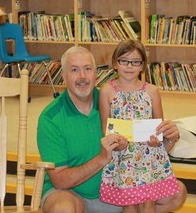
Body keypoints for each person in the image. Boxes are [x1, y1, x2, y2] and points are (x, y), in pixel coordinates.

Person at [37, 45, 187, 213]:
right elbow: (60, 181)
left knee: (177, 192)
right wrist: (102, 158)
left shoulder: (113, 101)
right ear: (63, 75)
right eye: (74, 70)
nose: (82, 77)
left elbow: (145, 151)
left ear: (96, 73)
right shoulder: (50, 118)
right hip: (72, 194)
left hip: (115, 191)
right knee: (63, 209)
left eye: (87, 69)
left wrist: (168, 139)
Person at [99, 39, 184, 213]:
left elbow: (158, 126)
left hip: (148, 157)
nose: (129, 66)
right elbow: (105, 128)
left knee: (148, 202)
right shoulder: (107, 91)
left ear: (142, 66)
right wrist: (116, 143)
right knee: (129, 203)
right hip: (123, 158)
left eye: (135, 62)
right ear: (115, 63)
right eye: (124, 61)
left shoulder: (151, 91)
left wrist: (156, 140)